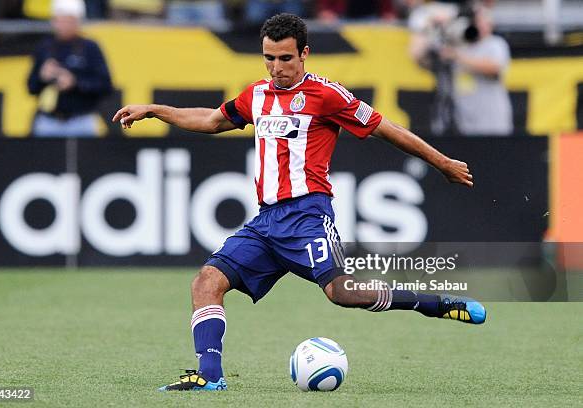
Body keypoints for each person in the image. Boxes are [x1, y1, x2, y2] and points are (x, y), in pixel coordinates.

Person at [112, 13, 485, 392]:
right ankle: (210, 376)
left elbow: (386, 130)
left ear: (304, 54)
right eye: (269, 58)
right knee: (207, 282)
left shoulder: (327, 95)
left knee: (343, 293)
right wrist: (155, 110)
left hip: (307, 215)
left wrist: (442, 163)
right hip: (266, 222)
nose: (277, 68)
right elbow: (211, 120)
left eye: (285, 59)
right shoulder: (256, 94)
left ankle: (437, 303)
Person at [409, 2, 513, 136]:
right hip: (460, 121)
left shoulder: (494, 44)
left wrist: (457, 56)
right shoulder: (457, 45)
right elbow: (418, 57)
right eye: (477, 21)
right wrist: (430, 28)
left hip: (490, 121)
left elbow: (493, 68)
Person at [27, 0, 112, 137]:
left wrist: (75, 83)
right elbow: (31, 87)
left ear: (78, 21)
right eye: (60, 20)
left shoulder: (90, 48)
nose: (63, 25)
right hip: (48, 121)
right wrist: (42, 77)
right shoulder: (44, 48)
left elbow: (105, 85)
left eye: (68, 20)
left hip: (82, 119)